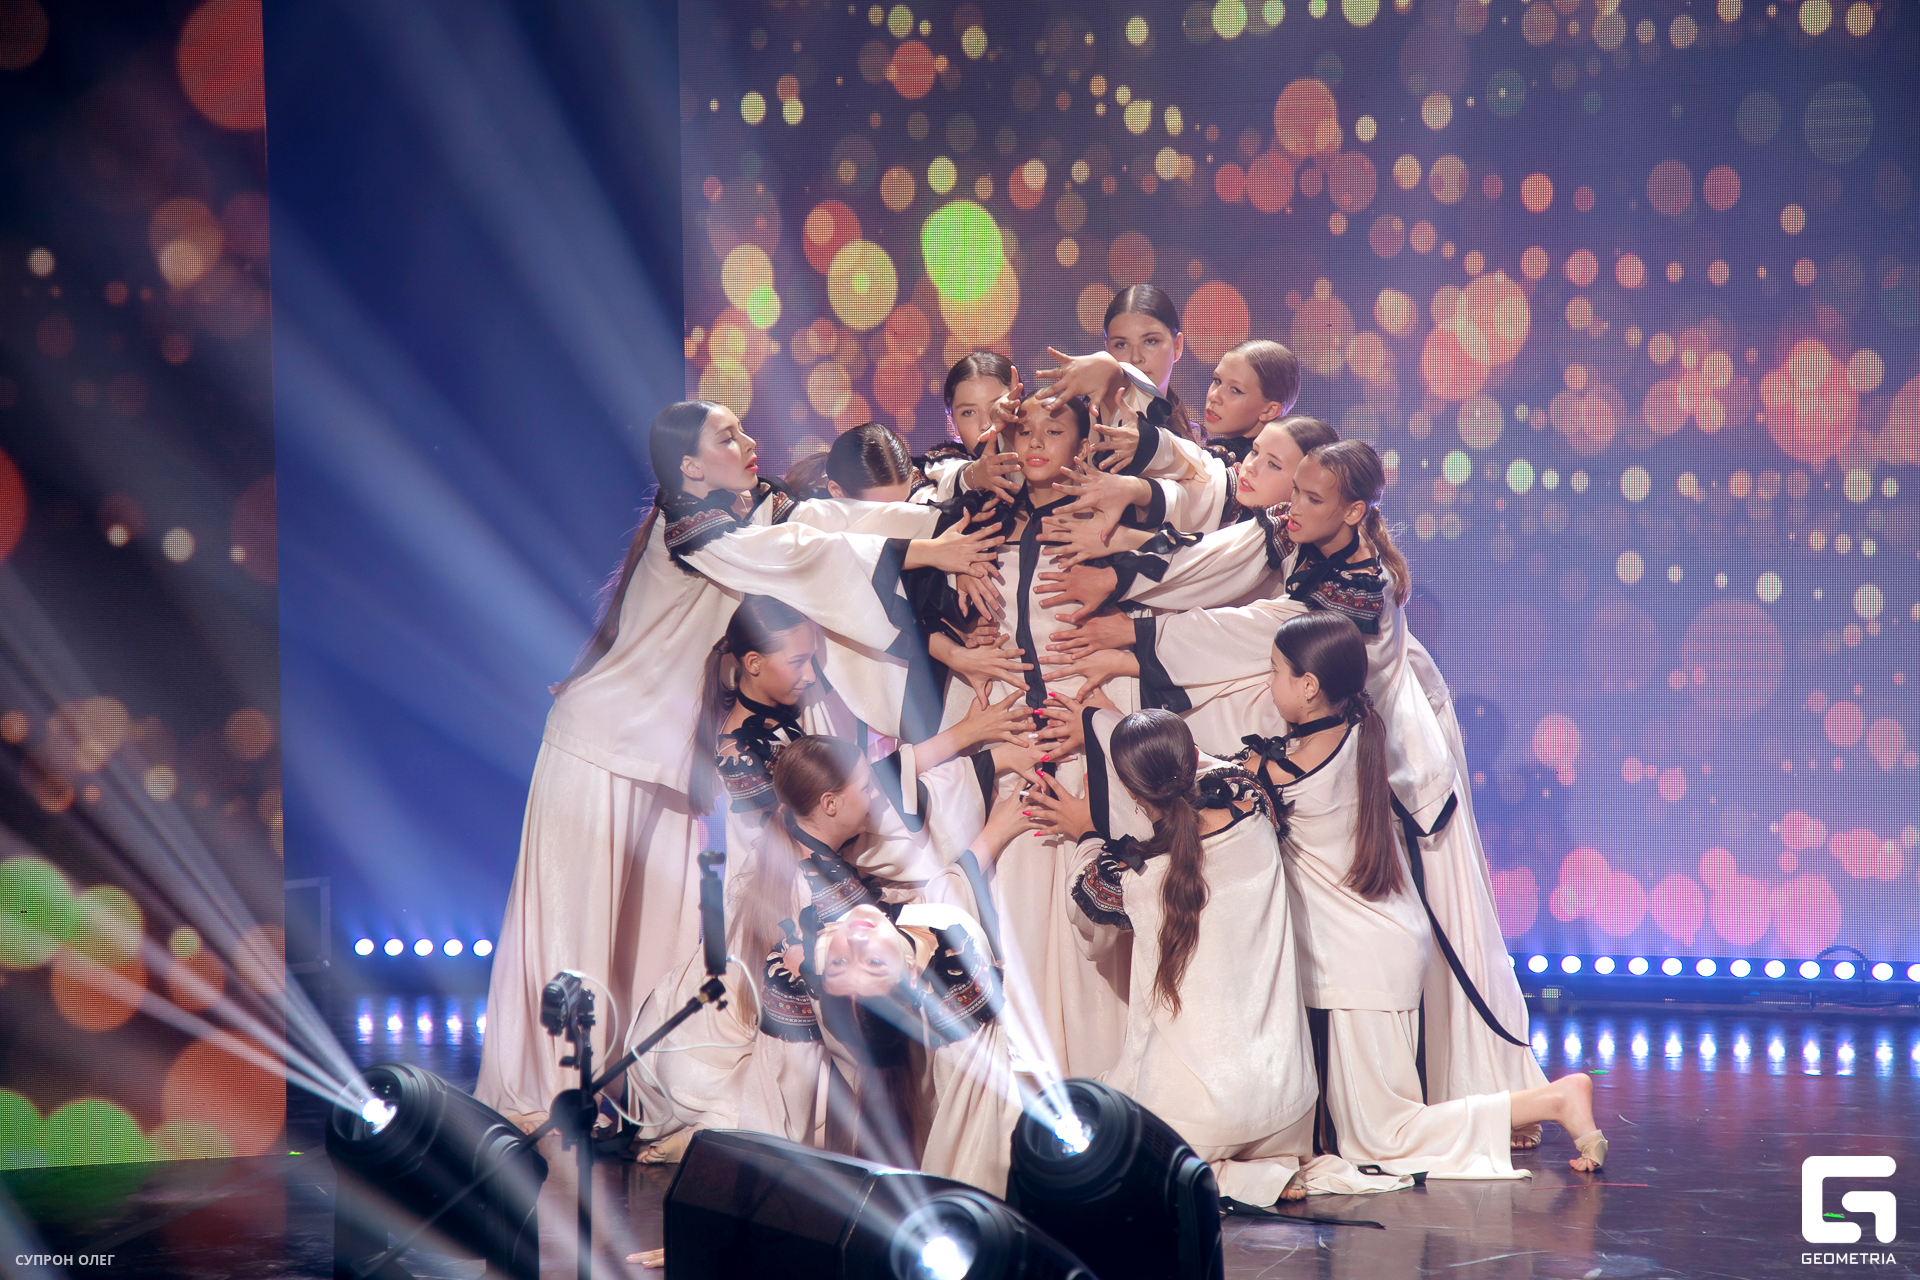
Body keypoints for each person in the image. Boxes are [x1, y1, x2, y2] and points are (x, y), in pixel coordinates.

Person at [474, 401, 1002, 1129]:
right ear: (690, 467)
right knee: (576, 930)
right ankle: (547, 1097)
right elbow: (797, 554)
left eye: (743, 429)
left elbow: (830, 523)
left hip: (660, 761)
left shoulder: (747, 513)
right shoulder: (691, 530)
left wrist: (949, 512)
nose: (749, 441)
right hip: (600, 749)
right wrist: (928, 554)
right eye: (727, 437)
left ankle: (627, 1091)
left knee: (661, 940)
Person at [1035, 439, 1553, 1138]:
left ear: (1355, 510)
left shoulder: (1347, 612)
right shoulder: (1303, 585)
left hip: (1395, 783)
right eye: (1295, 489)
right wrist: (1124, 570)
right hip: (1353, 860)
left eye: (1311, 497)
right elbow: (1225, 563)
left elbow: (1251, 649)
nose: (1292, 509)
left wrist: (1127, 656)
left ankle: (1495, 1098)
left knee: (1425, 1004)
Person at [1240, 612, 1608, 1177]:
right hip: (1375, 951)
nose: (1267, 683)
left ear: (1308, 686)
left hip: (1358, 964)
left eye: (1274, 671)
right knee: (1371, 1134)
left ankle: (1553, 1100)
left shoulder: (1286, 767)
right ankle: (1547, 1101)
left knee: (1382, 1138)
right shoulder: (1355, 733)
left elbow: (1207, 787)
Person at [1027, 708, 1405, 1204]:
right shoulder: (1257, 815)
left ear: (1131, 792)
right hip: (1288, 1108)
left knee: (1094, 1140)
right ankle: (1268, 1167)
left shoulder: (1136, 879)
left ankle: (1235, 1177)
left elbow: (1085, 900)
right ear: (1192, 757)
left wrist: (1087, 831)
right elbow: (1226, 771)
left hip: (1194, 1121)